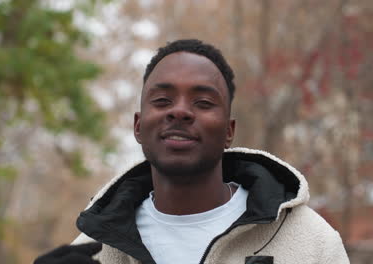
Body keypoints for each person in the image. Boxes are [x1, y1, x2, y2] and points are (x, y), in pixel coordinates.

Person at [34, 39, 349, 264]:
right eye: (162, 101)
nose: (180, 112)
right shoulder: (93, 251)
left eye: (203, 103)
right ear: (138, 127)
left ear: (229, 131)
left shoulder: (310, 241)